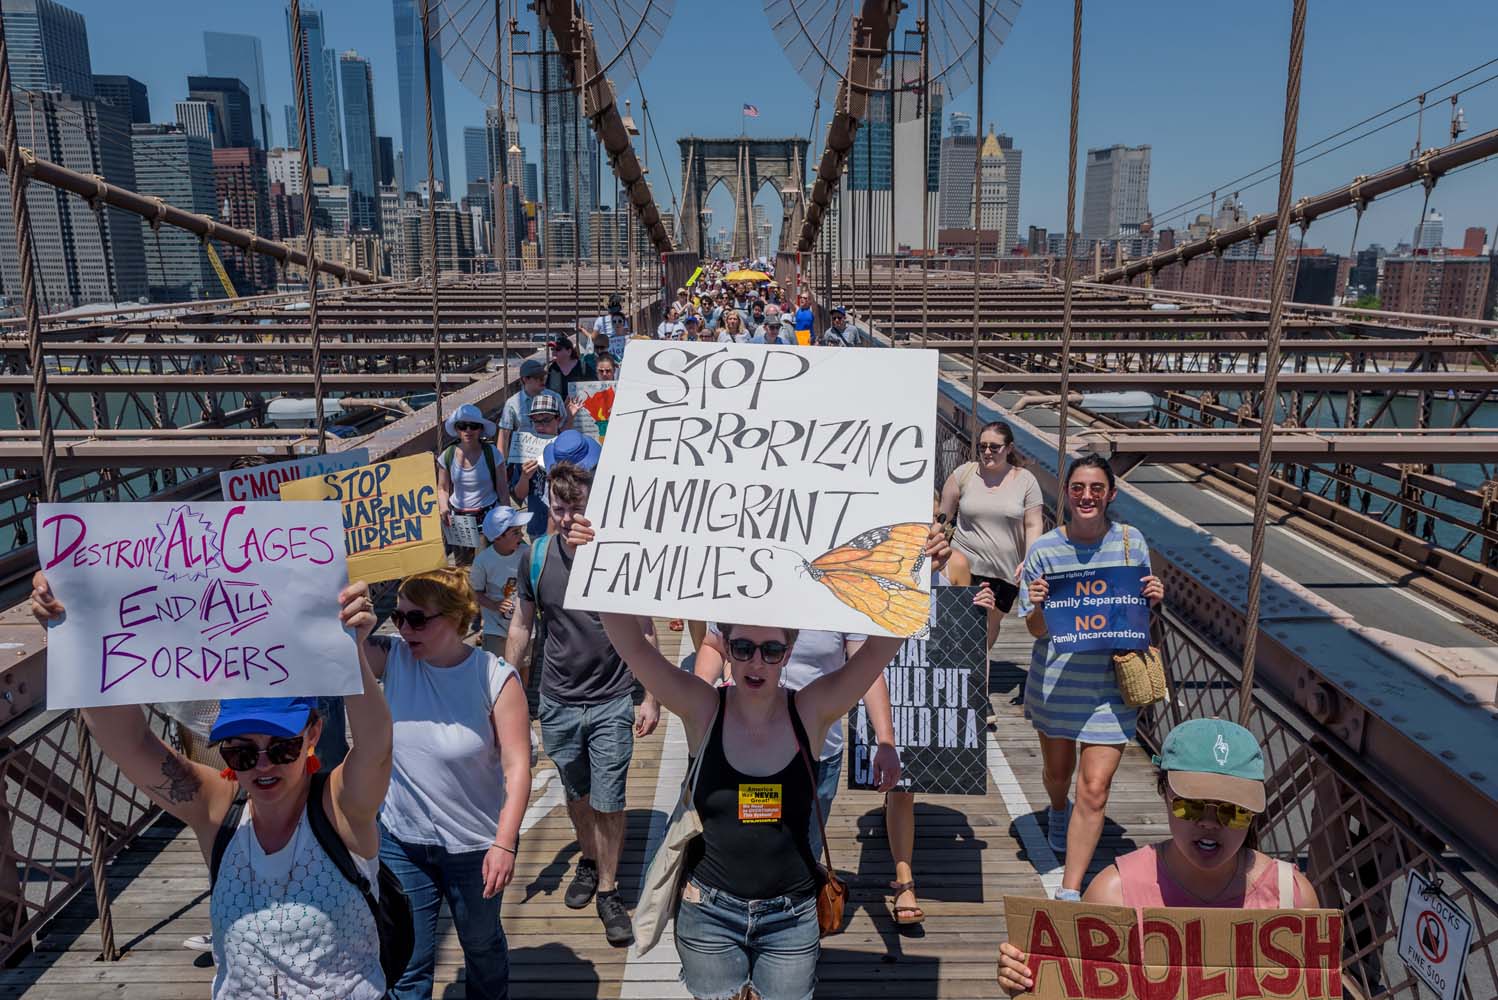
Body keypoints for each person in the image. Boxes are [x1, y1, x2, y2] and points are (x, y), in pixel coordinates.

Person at [568, 516, 950, 1000]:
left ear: (789, 652)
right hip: (708, 915)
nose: (756, 662)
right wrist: (594, 563)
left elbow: (878, 651)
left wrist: (920, 573)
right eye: (744, 647)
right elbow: (629, 645)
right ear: (724, 646)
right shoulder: (702, 707)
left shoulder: (809, 711)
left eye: (771, 650)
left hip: (791, 920)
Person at [30, 573, 393, 999]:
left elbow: (375, 744)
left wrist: (350, 652)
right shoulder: (219, 810)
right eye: (240, 752)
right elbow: (129, 742)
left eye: (281, 748)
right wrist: (74, 634)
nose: (261, 766)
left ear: (312, 733)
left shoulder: (340, 807)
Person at [997, 718, 1319, 996]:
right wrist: (1030, 982)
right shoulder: (1113, 894)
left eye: (1232, 811)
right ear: (1164, 794)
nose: (1209, 822)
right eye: (1189, 805)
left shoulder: (1293, 898)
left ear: (1251, 814)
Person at [505, 457, 660, 946]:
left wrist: (650, 697)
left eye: (577, 508)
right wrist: (508, 692)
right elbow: (522, 626)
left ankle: (609, 890)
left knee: (610, 799)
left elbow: (648, 630)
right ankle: (589, 860)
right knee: (577, 794)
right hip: (557, 699)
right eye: (558, 508)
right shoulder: (534, 557)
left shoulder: (618, 558)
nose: (567, 518)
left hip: (613, 697)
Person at [373, 568, 532, 1000]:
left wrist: (504, 843)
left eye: (417, 619)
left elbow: (518, 768)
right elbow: (339, 644)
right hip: (402, 841)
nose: (404, 628)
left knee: (480, 945)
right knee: (407, 962)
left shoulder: (495, 678)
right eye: (398, 617)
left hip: (474, 846)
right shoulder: (393, 658)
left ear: (458, 618)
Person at [1019, 453, 1166, 900]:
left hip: (1109, 686)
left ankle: (1070, 888)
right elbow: (1034, 629)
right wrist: (1042, 604)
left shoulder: (1130, 542)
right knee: (1058, 774)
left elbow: (1134, 612)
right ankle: (1057, 810)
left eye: (1096, 488)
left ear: (1111, 494)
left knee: (1095, 787)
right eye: (1079, 488)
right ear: (1067, 493)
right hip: (1057, 684)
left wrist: (1153, 598)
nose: (1087, 496)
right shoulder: (1044, 550)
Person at [693, 627, 901, 862]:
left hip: (817, 755)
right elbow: (713, 645)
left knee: (806, 850)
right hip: (746, 750)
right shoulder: (747, 593)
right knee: (744, 850)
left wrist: (885, 740)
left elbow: (868, 665)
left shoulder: (842, 596)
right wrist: (702, 704)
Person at [939, 420, 1044, 654]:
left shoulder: (1025, 480)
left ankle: (977, 675)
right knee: (959, 625)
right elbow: (941, 519)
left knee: (988, 627)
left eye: (994, 447)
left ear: (1009, 448)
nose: (987, 452)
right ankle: (964, 676)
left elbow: (1033, 523)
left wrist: (1030, 559)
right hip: (965, 565)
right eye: (982, 446)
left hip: (1003, 571)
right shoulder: (963, 474)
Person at [437, 404, 508, 555]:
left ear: (481, 429)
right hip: (459, 519)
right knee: (462, 567)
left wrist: (508, 517)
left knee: (484, 563)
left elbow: (503, 489)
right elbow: (442, 488)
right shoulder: (447, 455)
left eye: (473, 426)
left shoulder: (492, 453)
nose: (468, 430)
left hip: (487, 516)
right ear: (457, 430)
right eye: (463, 426)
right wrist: (443, 507)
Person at [470, 506, 527, 659]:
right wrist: (494, 605)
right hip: (495, 628)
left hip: (524, 624)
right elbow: (475, 592)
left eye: (520, 530)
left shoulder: (527, 553)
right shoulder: (483, 561)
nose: (521, 535)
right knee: (496, 668)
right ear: (497, 537)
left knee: (524, 667)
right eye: (515, 532)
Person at [511, 393, 562, 538]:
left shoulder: (567, 447)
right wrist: (524, 477)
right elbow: (519, 495)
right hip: (536, 527)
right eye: (535, 421)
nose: (540, 426)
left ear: (558, 419)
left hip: (562, 526)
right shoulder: (524, 450)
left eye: (546, 420)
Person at [498, 358, 566, 462]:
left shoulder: (555, 397)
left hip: (551, 454)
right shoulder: (512, 403)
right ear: (525, 379)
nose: (543, 379)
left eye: (543, 376)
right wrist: (502, 466)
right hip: (524, 458)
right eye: (537, 377)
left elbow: (563, 428)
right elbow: (504, 437)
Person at [544, 334, 595, 400]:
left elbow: (593, 388)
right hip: (559, 408)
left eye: (558, 349)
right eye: (552, 349)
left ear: (569, 351)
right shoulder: (552, 368)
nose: (554, 352)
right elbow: (548, 392)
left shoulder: (583, 367)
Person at [586, 292, 631, 360]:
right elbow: (624, 335)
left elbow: (593, 338)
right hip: (619, 351)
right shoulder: (622, 320)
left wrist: (584, 331)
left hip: (605, 352)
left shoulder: (600, 320)